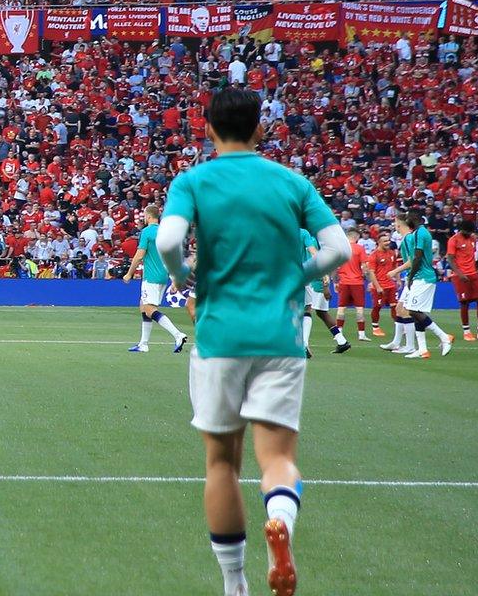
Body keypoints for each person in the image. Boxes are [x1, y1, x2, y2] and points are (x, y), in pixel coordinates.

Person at [157, 87, 347, 596]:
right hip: (280, 337)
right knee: (278, 459)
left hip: (220, 337)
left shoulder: (192, 180)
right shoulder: (291, 181)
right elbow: (339, 249)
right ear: (260, 128)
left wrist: (182, 278)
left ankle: (235, 585)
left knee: (221, 462)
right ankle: (281, 517)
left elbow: (169, 241)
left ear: (209, 129)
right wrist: (296, 275)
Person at [123, 206, 188, 353]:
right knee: (143, 305)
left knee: (149, 309)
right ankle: (143, 344)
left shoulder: (146, 232)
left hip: (151, 277)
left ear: (148, 215)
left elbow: (139, 255)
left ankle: (178, 334)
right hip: (162, 276)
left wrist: (129, 273)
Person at [392, 211, 451, 360]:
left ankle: (444, 336)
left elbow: (417, 257)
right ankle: (423, 349)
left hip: (423, 277)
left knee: (413, 310)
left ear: (414, 219)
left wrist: (410, 276)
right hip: (421, 276)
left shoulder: (420, 233)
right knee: (415, 311)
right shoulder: (419, 233)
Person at [298, 231, 350, 355]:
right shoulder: (308, 235)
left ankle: (341, 341)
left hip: (313, 280)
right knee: (315, 311)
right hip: (309, 278)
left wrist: (325, 284)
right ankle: (341, 341)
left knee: (317, 312)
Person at [446, 221, 478, 341]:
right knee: (464, 302)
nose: (469, 233)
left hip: (473, 274)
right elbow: (450, 259)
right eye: (467, 231)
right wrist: (459, 274)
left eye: (471, 232)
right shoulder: (453, 240)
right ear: (461, 230)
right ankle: (467, 331)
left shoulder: (473, 239)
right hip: (460, 276)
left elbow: (471, 256)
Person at [333, 225, 371, 343]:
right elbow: (365, 267)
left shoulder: (341, 248)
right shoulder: (360, 248)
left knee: (341, 309)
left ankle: (339, 333)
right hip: (357, 282)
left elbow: (334, 266)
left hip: (344, 282)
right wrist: (369, 281)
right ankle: (361, 334)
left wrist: (335, 282)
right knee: (359, 309)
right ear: (357, 236)